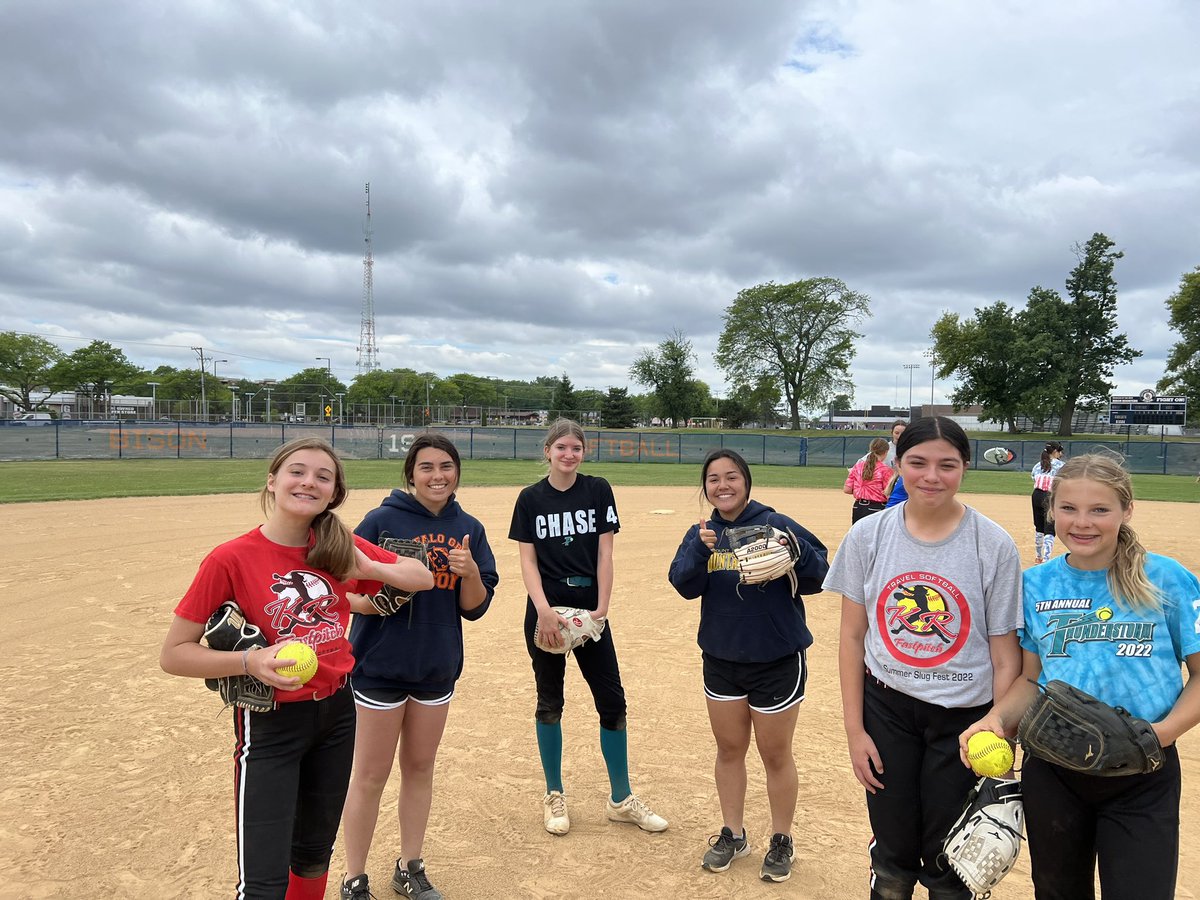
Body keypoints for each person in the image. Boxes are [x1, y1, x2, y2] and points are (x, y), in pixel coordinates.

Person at [159, 437, 435, 900]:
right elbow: (174, 654)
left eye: (323, 477)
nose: (309, 482)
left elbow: (421, 577)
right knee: (263, 879)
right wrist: (250, 659)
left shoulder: (335, 545)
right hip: (270, 725)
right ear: (272, 481)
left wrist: (365, 563)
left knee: (312, 855)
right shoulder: (231, 558)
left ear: (333, 494)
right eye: (297, 471)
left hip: (336, 714)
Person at [960, 454, 1200, 900]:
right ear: (1052, 510)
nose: (1082, 522)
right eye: (1068, 508)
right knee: (1058, 892)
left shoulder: (1165, 579)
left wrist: (1160, 735)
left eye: (1100, 510)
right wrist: (994, 720)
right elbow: (1032, 681)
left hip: (1143, 769)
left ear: (1127, 510)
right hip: (1055, 769)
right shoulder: (1036, 584)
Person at [822, 416, 1023, 900]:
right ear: (897, 463)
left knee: (950, 859)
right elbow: (852, 639)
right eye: (918, 462)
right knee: (892, 854)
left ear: (965, 468)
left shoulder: (992, 544)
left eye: (946, 465)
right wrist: (855, 731)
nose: (931, 476)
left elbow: (1004, 656)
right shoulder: (869, 536)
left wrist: (1000, 728)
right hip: (887, 709)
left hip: (965, 721)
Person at [340, 434, 499, 900]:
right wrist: (367, 607)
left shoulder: (468, 526)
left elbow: (474, 608)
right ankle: (354, 877)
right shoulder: (380, 520)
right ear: (410, 474)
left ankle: (410, 867)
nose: (437, 475)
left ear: (457, 473)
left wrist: (469, 572)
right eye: (426, 467)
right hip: (379, 666)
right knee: (370, 774)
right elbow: (338, 587)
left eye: (446, 466)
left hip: (435, 666)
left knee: (420, 768)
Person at [668, 449, 829, 882]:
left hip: (776, 659)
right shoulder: (701, 533)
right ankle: (733, 834)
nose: (723, 485)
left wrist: (796, 552)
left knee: (775, 755)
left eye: (732, 477)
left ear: (746, 481)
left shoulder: (776, 524)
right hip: (721, 657)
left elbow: (821, 574)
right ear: (705, 487)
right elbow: (682, 585)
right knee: (729, 749)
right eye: (714, 479)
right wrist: (698, 555)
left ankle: (781, 839)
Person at [508, 418, 667, 837]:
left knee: (612, 701)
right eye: (561, 447)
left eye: (575, 448)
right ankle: (554, 795)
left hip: (589, 611)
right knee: (550, 700)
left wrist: (601, 609)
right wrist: (542, 610)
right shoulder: (530, 499)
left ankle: (621, 798)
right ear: (547, 451)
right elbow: (527, 561)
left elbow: (605, 552)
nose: (568, 454)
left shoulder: (597, 490)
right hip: (546, 612)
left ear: (584, 452)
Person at [1031, 441, 1065, 563]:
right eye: (1059, 452)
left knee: (1039, 527)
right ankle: (1046, 559)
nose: (1060, 454)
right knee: (1049, 528)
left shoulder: (1037, 465)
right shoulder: (1061, 466)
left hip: (1036, 495)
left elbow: (1033, 477)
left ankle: (1038, 557)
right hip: (1049, 496)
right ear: (1055, 452)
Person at [845, 438, 894, 523]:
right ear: (886, 452)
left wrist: (862, 491)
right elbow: (888, 494)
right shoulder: (885, 470)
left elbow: (847, 489)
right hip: (876, 509)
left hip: (858, 507)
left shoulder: (858, 466)